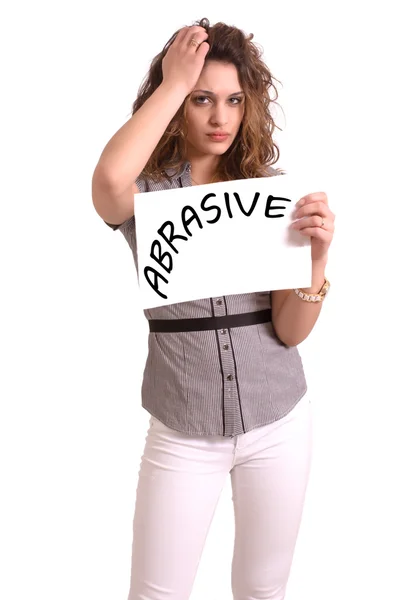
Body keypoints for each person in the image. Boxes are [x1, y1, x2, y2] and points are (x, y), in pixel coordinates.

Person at [91, 17, 335, 600]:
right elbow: (106, 182)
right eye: (202, 99)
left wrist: (318, 261)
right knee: (156, 593)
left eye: (232, 100)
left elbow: (290, 332)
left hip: (279, 420)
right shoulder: (148, 195)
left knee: (262, 589)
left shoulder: (270, 192)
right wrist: (173, 83)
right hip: (183, 425)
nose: (220, 117)